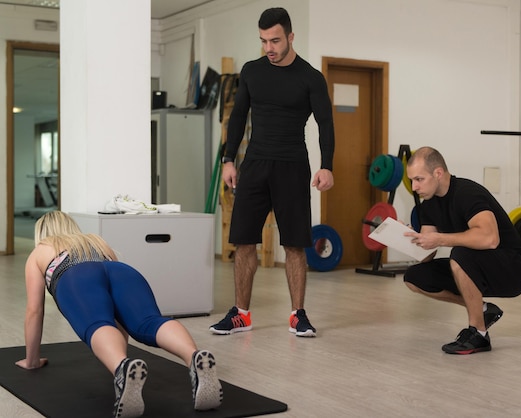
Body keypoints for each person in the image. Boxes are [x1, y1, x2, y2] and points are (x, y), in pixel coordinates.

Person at [16, 211, 222, 418]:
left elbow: (35, 310)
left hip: (75, 275)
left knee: (98, 323)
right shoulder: (94, 241)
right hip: (122, 271)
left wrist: (31, 361)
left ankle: (122, 369)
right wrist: (121, 350)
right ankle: (193, 357)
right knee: (150, 322)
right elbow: (117, 311)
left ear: (42, 232)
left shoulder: (40, 251)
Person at [210, 7, 335, 338]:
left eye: (275, 40)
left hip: (293, 165)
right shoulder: (252, 71)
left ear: (291, 37)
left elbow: (325, 123)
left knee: (294, 243)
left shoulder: (310, 77)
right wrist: (227, 159)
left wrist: (327, 165)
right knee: (243, 240)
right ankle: (241, 314)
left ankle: (298, 314)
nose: (269, 47)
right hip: (254, 164)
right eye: (264, 40)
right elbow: (238, 117)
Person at [403, 147, 521, 354]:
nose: (414, 187)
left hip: (513, 269)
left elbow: (490, 238)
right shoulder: (428, 206)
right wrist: (412, 239)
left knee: (460, 255)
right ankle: (483, 310)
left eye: (419, 179)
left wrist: (441, 239)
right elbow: (426, 257)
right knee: (415, 276)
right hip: (476, 265)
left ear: (438, 173)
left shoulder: (467, 193)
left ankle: (478, 334)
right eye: (412, 181)